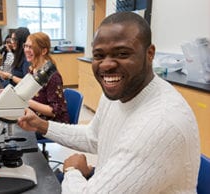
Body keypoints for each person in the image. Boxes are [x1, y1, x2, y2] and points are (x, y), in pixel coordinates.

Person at [17, 12, 201, 193]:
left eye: (122, 53)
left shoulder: (161, 123)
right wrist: (40, 125)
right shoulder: (118, 93)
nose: (106, 65)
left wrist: (72, 171)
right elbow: (94, 137)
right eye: (98, 56)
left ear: (150, 53)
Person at [24, 32, 69, 124]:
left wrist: (26, 102)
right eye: (26, 46)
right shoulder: (32, 69)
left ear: (44, 51)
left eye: (31, 47)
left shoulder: (53, 76)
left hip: (50, 125)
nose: (27, 50)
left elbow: (54, 111)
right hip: (35, 117)